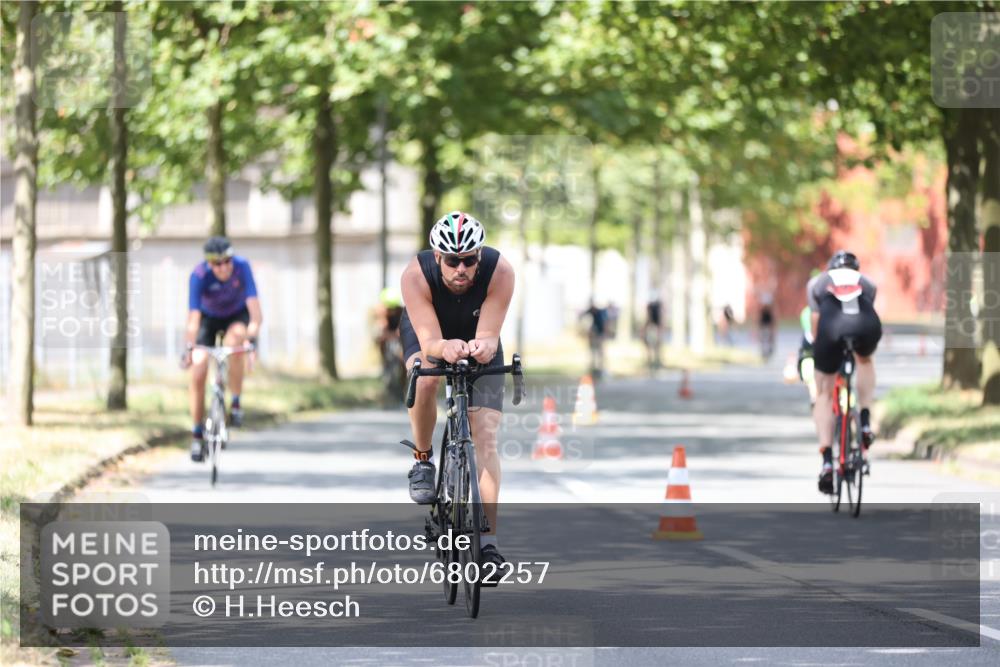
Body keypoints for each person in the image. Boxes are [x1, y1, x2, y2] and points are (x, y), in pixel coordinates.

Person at [399, 211, 515, 568]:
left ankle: (489, 546)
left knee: (485, 436)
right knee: (427, 376)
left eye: (468, 260)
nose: (461, 268)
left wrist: (481, 347)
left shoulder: (501, 271)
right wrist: (442, 348)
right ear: (438, 257)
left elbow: (489, 336)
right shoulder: (415, 275)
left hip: (477, 331)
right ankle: (422, 459)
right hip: (430, 332)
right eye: (452, 261)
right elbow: (431, 340)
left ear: (479, 255)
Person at [181, 237, 262, 462]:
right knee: (198, 369)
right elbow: (193, 319)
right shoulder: (198, 276)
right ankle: (197, 434)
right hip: (208, 318)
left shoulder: (243, 267)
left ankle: (235, 402)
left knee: (235, 343)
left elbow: (255, 313)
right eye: (217, 264)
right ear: (209, 264)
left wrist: (252, 339)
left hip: (236, 316)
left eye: (227, 261)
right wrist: (189, 348)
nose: (224, 267)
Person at [810, 250, 881, 494]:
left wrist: (816, 353)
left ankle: (828, 461)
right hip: (866, 326)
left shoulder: (818, 283)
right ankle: (864, 420)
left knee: (824, 394)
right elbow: (866, 310)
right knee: (865, 361)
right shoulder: (867, 282)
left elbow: (816, 327)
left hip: (831, 329)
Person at [374, 287, 405, 404]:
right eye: (388, 309)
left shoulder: (401, 311)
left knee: (403, 362)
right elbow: (382, 332)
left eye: (393, 309)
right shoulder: (381, 312)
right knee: (381, 340)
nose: (391, 311)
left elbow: (401, 331)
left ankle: (403, 387)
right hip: (387, 340)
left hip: (399, 338)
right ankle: (384, 362)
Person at [581, 300, 609, 378]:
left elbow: (605, 324)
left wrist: (604, 335)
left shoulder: (601, 313)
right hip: (592, 336)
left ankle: (601, 369)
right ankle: (593, 369)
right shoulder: (589, 312)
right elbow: (583, 319)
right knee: (592, 352)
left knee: (600, 353)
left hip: (600, 335)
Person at [644, 297, 663, 370]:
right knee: (654, 346)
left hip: (653, 328)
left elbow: (649, 318)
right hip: (654, 328)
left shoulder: (654, 307)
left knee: (653, 346)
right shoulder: (656, 306)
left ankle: (653, 362)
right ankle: (653, 362)